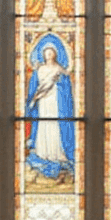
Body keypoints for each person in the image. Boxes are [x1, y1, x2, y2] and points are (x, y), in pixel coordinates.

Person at [25, 40, 75, 180]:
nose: (49, 54)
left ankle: (57, 153)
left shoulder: (59, 68)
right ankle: (43, 153)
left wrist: (59, 83)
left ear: (55, 54)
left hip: (55, 102)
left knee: (55, 126)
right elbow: (34, 88)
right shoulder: (39, 69)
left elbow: (66, 86)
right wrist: (33, 98)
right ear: (43, 54)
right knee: (44, 125)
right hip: (43, 102)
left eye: (51, 52)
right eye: (46, 52)